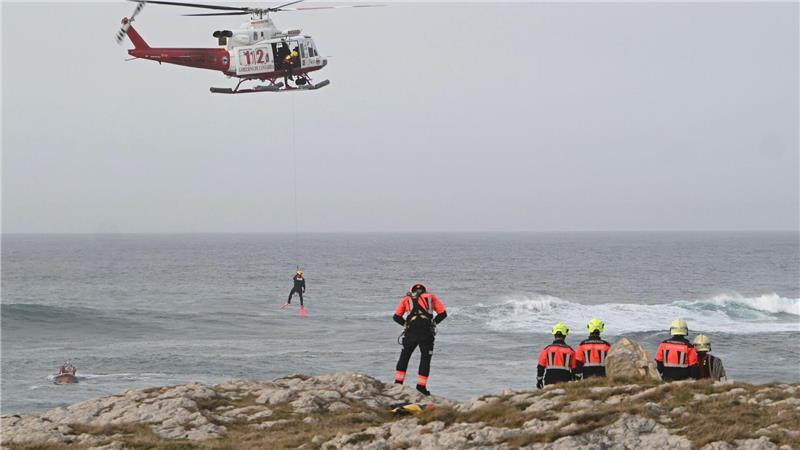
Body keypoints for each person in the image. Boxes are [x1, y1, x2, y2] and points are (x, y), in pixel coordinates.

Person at [393, 283, 447, 396]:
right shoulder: (431, 297)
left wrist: (406, 325)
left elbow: (396, 317)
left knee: (404, 356)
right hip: (426, 333)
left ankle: (398, 384)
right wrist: (433, 323)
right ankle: (421, 387)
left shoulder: (406, 299)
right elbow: (443, 314)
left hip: (411, 333)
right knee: (425, 359)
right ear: (425, 290)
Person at [536, 323, 577, 388]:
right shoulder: (570, 351)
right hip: (565, 382)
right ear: (565, 335)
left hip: (549, 381)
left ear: (554, 334)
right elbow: (575, 369)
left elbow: (540, 367)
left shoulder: (546, 350)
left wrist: (539, 380)